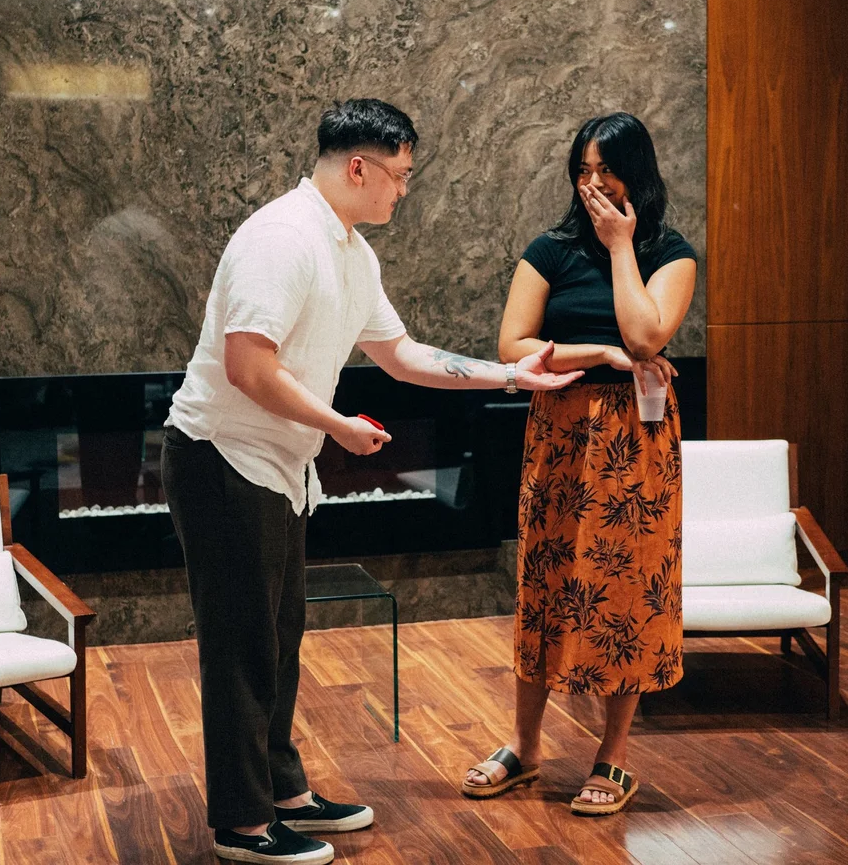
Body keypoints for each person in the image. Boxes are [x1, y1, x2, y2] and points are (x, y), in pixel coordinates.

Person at [162, 98, 582, 865]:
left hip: (277, 464)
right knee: (242, 646)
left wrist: (511, 377)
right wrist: (337, 425)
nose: (404, 190)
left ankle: (283, 792)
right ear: (359, 167)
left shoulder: (351, 251)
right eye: (400, 174)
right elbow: (247, 367)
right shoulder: (282, 238)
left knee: (280, 638)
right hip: (221, 457)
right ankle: (243, 826)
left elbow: (403, 355)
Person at [463, 112, 697, 816]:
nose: (593, 184)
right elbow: (513, 346)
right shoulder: (550, 250)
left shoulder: (670, 253)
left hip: (636, 438)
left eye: (608, 170)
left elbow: (647, 335)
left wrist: (622, 246)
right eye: (583, 170)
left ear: (638, 174)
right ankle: (525, 746)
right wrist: (597, 354)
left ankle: (613, 755)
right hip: (560, 428)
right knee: (546, 577)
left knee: (625, 588)